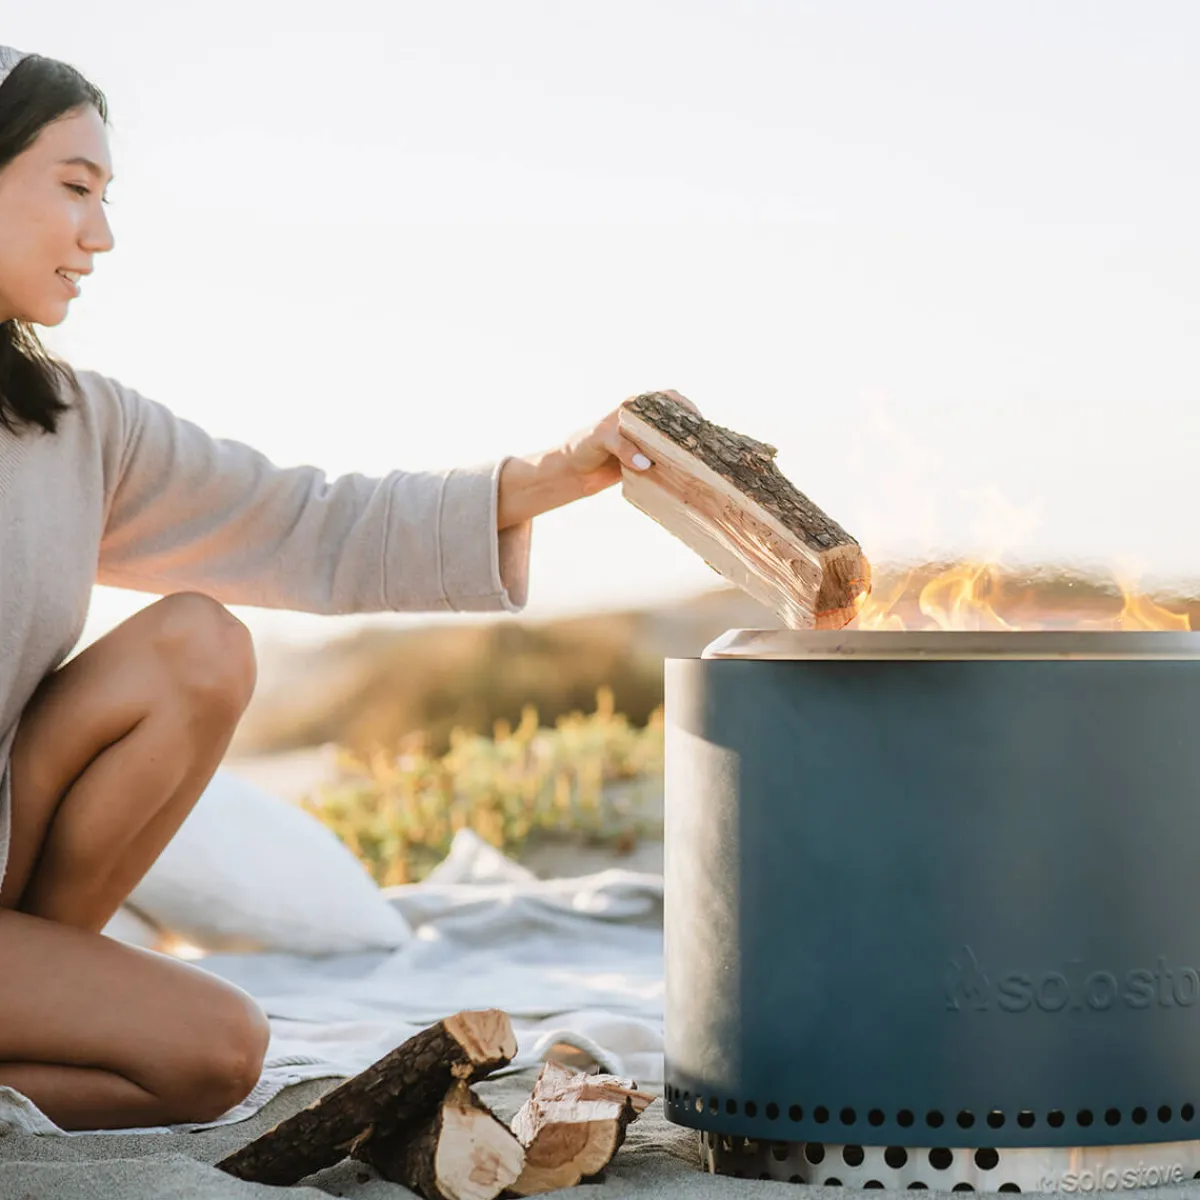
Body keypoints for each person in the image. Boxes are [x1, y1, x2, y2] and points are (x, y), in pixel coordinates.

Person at [0, 46, 688, 1131]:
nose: (101, 236)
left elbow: (307, 520)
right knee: (216, 1047)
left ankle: (47, 988)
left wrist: (555, 476)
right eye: (75, 187)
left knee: (198, 644)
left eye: (106, 198)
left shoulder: (75, 424)